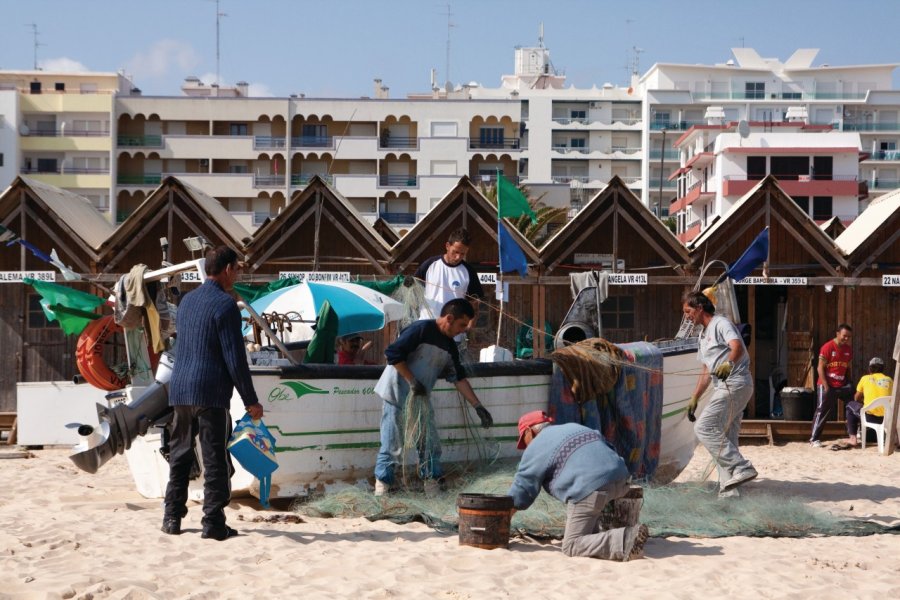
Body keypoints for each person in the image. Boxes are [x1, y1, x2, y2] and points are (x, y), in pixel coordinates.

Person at [162, 246, 264, 541]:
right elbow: (235, 359)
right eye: (238, 269)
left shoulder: (188, 302)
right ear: (228, 269)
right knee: (214, 458)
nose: (239, 274)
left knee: (179, 455)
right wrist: (250, 400)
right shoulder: (225, 305)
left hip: (180, 389)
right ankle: (213, 523)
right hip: (210, 392)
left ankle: (171, 517)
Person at [373, 298, 493, 496]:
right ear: (449, 318)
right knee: (392, 443)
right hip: (396, 392)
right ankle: (383, 487)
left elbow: (458, 377)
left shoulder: (449, 346)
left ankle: (432, 485)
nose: (463, 330)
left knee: (429, 442)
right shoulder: (420, 330)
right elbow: (393, 354)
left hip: (420, 397)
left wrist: (478, 406)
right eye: (462, 325)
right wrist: (412, 380)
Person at [507, 411, 649, 561]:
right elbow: (608, 448)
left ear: (530, 431)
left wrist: (505, 516)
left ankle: (625, 538)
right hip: (622, 479)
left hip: (591, 489)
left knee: (571, 545)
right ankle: (615, 538)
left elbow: (522, 487)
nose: (526, 446)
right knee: (589, 534)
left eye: (524, 440)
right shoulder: (574, 427)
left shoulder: (536, 445)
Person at [683, 291, 757, 498]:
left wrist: (728, 363)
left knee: (704, 428)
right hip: (725, 387)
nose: (687, 316)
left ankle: (742, 467)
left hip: (735, 383)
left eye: (688, 311)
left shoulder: (720, 323)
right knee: (725, 439)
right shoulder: (702, 335)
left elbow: (737, 347)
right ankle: (730, 494)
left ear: (699, 308)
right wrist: (695, 397)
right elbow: (706, 370)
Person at [414, 227, 484, 351]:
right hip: (427, 329)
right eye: (455, 252)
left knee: (451, 369)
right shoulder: (429, 265)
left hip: (454, 336)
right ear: (447, 246)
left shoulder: (468, 271)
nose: (458, 257)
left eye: (462, 254)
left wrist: (469, 327)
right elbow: (413, 290)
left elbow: (474, 304)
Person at [810, 324, 853, 448]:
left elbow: (847, 368)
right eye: (845, 336)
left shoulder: (848, 349)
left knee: (854, 404)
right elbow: (820, 368)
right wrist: (826, 386)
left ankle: (855, 434)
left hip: (842, 385)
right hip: (827, 385)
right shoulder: (827, 347)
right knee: (822, 410)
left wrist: (849, 383)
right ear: (837, 334)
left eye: (849, 337)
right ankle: (814, 439)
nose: (846, 339)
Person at [844, 357, 893, 446]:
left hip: (870, 417)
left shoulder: (865, 378)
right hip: (887, 418)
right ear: (882, 368)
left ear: (870, 368)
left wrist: (863, 400)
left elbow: (856, 398)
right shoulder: (889, 380)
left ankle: (852, 438)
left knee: (850, 405)